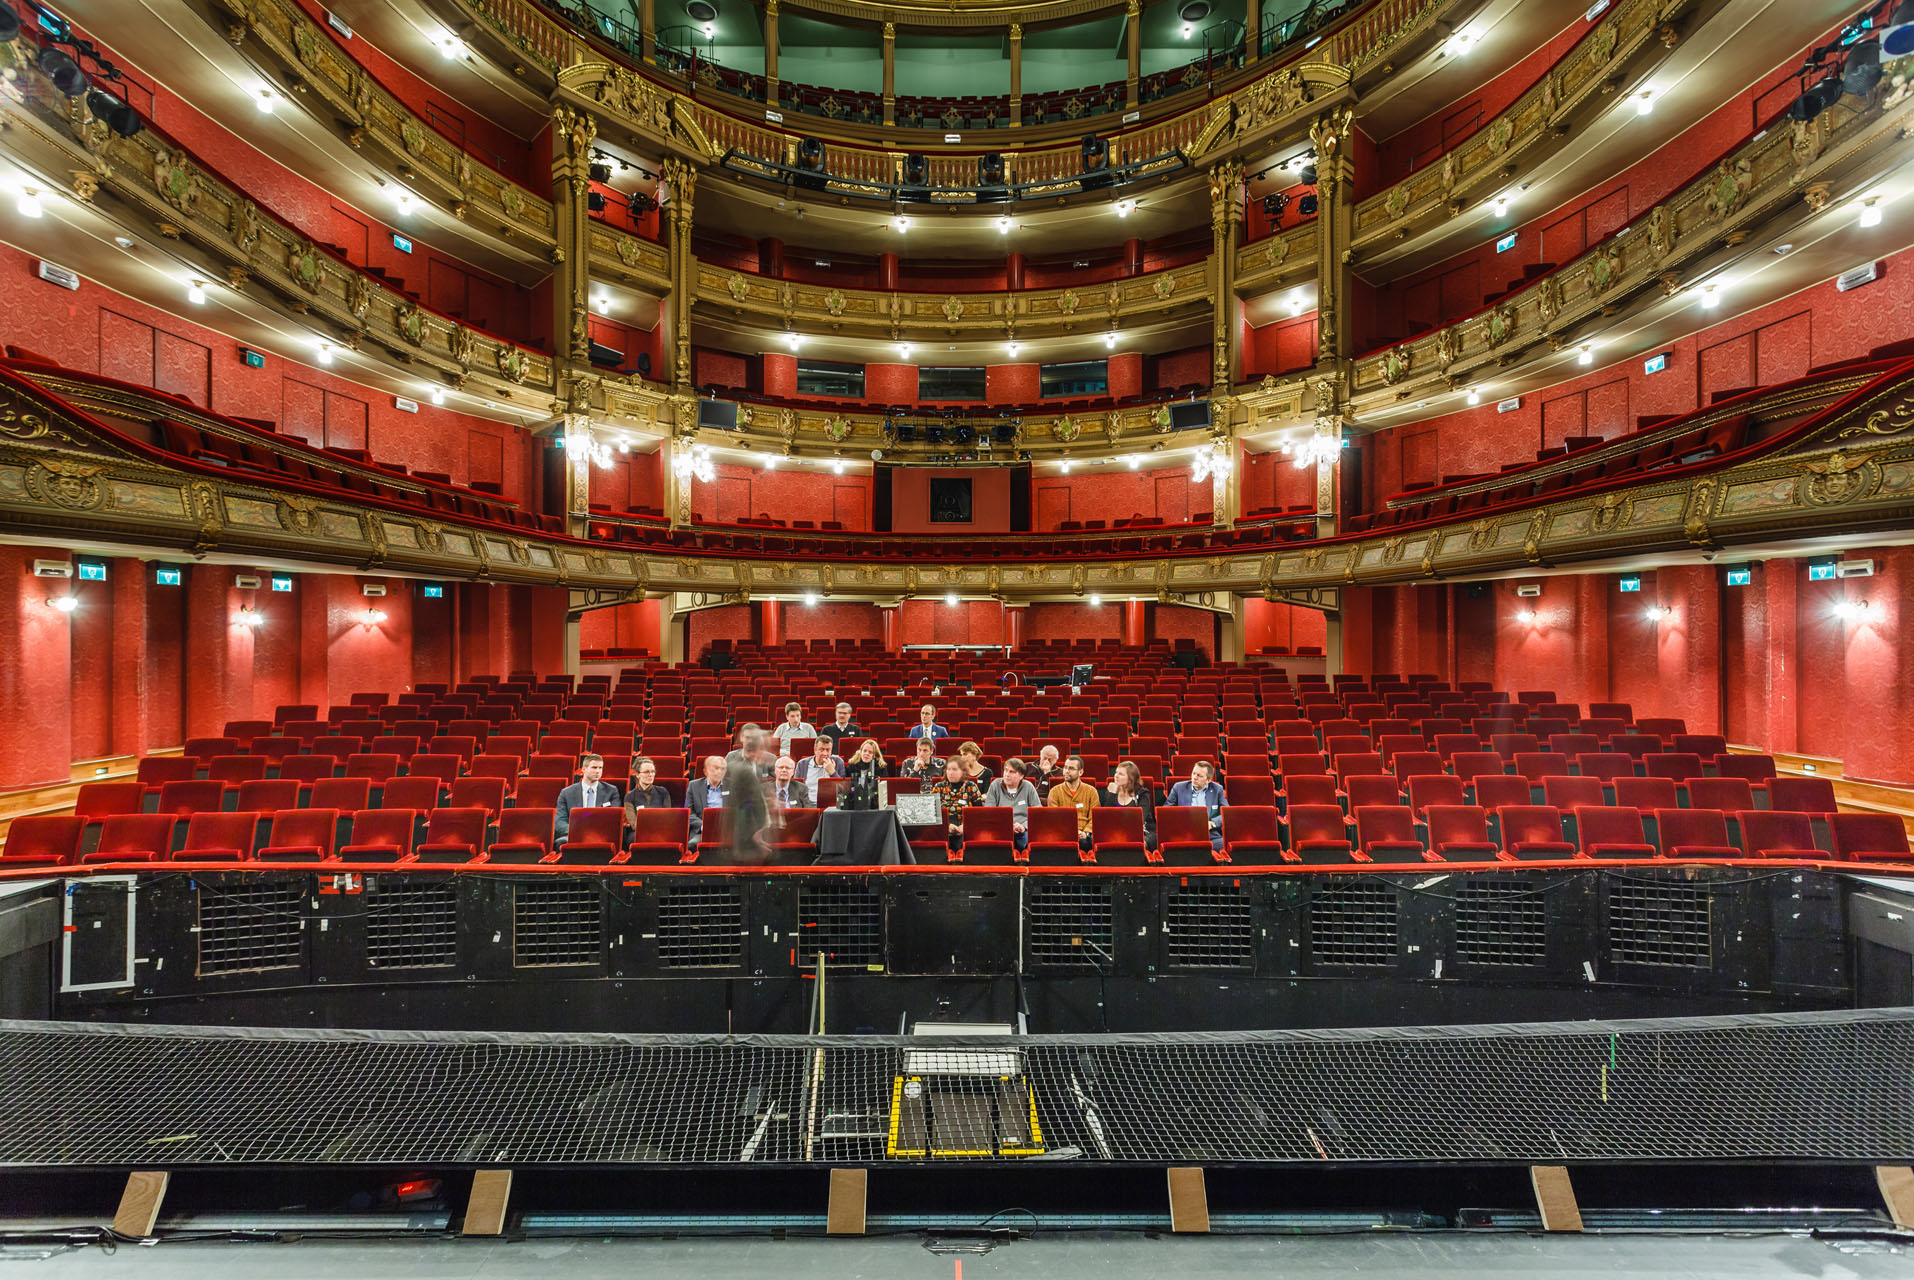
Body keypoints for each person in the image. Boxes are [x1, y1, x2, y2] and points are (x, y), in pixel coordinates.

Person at [719, 727, 772, 863]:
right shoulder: (743, 770)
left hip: (741, 831)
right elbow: (756, 803)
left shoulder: (737, 767)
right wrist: (758, 832)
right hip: (747, 832)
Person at [555, 752, 622, 844]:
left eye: (600, 768)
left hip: (601, 834)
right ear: (583, 769)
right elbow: (560, 820)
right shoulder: (567, 793)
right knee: (561, 842)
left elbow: (614, 818)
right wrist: (576, 831)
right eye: (594, 767)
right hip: (574, 833)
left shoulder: (611, 791)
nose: (598, 771)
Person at [1167, 759, 1229, 850]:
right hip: (1184, 833)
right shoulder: (1179, 787)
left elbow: (1226, 813)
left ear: (1208, 780)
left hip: (1209, 834)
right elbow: (1166, 810)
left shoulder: (1217, 789)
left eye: (1199, 775)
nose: (1195, 777)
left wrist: (1212, 823)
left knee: (1225, 846)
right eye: (1194, 773)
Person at [927, 756, 985, 852]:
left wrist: (966, 826)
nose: (950, 772)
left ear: (963, 772)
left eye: (954, 769)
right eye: (948, 769)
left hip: (965, 829)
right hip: (943, 829)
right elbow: (931, 814)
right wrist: (946, 826)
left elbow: (979, 814)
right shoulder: (939, 787)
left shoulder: (971, 786)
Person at [1046, 753, 1100, 850]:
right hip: (1062, 834)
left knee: (1087, 843)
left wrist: (1086, 832)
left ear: (1080, 772)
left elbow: (1095, 817)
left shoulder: (1091, 791)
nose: (1066, 771)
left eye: (1071, 768)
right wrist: (1069, 832)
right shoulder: (1054, 791)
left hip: (1084, 835)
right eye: (1065, 767)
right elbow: (1053, 818)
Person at [984, 757, 1040, 848]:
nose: (1007, 775)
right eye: (1006, 771)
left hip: (1022, 829)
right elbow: (989, 811)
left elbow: (1037, 812)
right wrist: (1006, 826)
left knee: (1025, 842)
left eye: (1012, 772)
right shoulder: (995, 784)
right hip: (1000, 827)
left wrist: (1024, 826)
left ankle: (1022, 861)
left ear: (1021, 776)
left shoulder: (1028, 786)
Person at [1102, 759, 1156, 850]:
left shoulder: (1142, 793)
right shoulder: (1111, 792)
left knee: (1145, 842)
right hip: (1116, 832)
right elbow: (1106, 818)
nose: (1116, 776)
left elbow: (1140, 818)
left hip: (1142, 832)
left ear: (1131, 779)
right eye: (1116, 772)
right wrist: (1112, 794)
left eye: (1121, 774)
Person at [685, 755, 727, 851]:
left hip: (727, 830)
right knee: (692, 845)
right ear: (705, 771)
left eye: (723, 769)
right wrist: (704, 826)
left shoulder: (732, 785)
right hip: (702, 830)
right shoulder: (693, 786)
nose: (719, 772)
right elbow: (688, 812)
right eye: (716, 768)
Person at [794, 735, 845, 804]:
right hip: (808, 804)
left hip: (830, 805)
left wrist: (832, 772)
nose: (825, 753)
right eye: (821, 749)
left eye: (828, 750)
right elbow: (796, 788)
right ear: (815, 750)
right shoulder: (802, 764)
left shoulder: (838, 762)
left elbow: (843, 790)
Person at [622, 756, 670, 828]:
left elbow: (667, 817)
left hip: (661, 829)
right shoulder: (629, 796)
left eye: (652, 772)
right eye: (646, 772)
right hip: (639, 831)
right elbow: (633, 823)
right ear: (637, 775)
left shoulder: (663, 792)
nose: (650, 775)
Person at [841, 738, 885, 809]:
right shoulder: (852, 766)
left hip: (874, 802)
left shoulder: (881, 767)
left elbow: (883, 787)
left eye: (870, 752)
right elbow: (846, 786)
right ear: (860, 752)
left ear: (875, 755)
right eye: (864, 751)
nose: (866, 754)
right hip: (854, 802)